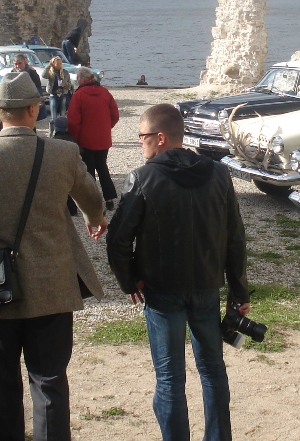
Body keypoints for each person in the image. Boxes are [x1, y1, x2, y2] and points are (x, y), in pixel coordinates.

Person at [0, 72, 108, 441]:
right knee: (49, 382)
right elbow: (92, 198)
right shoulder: (63, 153)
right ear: (34, 109)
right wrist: (94, 218)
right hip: (53, 286)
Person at [107, 103, 249, 441]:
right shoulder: (218, 174)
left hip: (162, 290)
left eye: (141, 136)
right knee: (213, 371)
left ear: (160, 138)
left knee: (170, 377)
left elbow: (118, 238)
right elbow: (235, 236)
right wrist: (239, 291)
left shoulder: (142, 178)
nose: (139, 142)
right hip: (206, 285)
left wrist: (130, 280)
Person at [67, 67, 119, 210]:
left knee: (89, 171)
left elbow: (73, 121)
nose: (77, 81)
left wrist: (74, 138)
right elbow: (115, 115)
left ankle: (93, 201)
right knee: (102, 167)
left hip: (86, 139)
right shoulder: (105, 92)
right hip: (103, 138)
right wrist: (106, 127)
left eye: (78, 78)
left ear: (83, 79)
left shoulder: (79, 95)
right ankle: (109, 199)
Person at [51, 116, 79, 217]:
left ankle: (68, 209)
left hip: (59, 169)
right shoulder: (72, 139)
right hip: (72, 168)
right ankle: (73, 209)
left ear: (55, 128)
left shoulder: (53, 141)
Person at [45, 56, 71, 129]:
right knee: (53, 117)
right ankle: (51, 131)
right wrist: (49, 65)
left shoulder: (65, 72)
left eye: (60, 63)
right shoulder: (51, 72)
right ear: (54, 64)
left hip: (62, 95)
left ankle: (61, 131)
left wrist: (65, 84)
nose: (59, 65)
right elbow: (44, 75)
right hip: (53, 95)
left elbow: (70, 85)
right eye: (57, 64)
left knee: (62, 116)